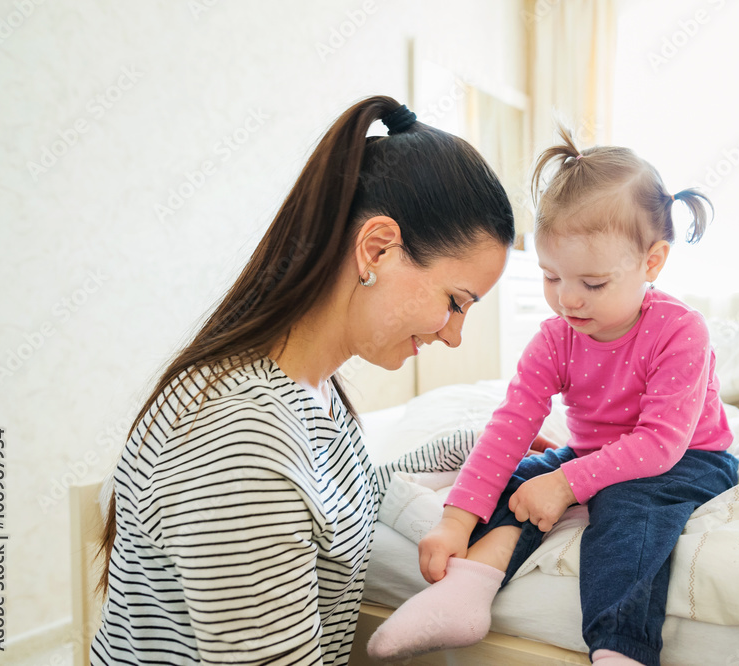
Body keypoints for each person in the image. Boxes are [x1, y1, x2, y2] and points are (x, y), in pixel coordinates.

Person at [89, 95, 515, 665]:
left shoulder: (313, 395)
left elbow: (341, 505)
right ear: (377, 249)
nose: (454, 335)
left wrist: (474, 449)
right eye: (455, 301)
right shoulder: (238, 436)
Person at [367, 126, 738, 666]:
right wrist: (455, 521)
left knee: (626, 509)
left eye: (592, 284)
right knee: (516, 479)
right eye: (550, 277)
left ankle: (619, 647)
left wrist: (567, 484)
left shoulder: (681, 331)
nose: (567, 300)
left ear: (651, 263)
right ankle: (467, 591)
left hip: (686, 460)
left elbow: (659, 445)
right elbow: (510, 425)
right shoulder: (555, 337)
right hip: (590, 455)